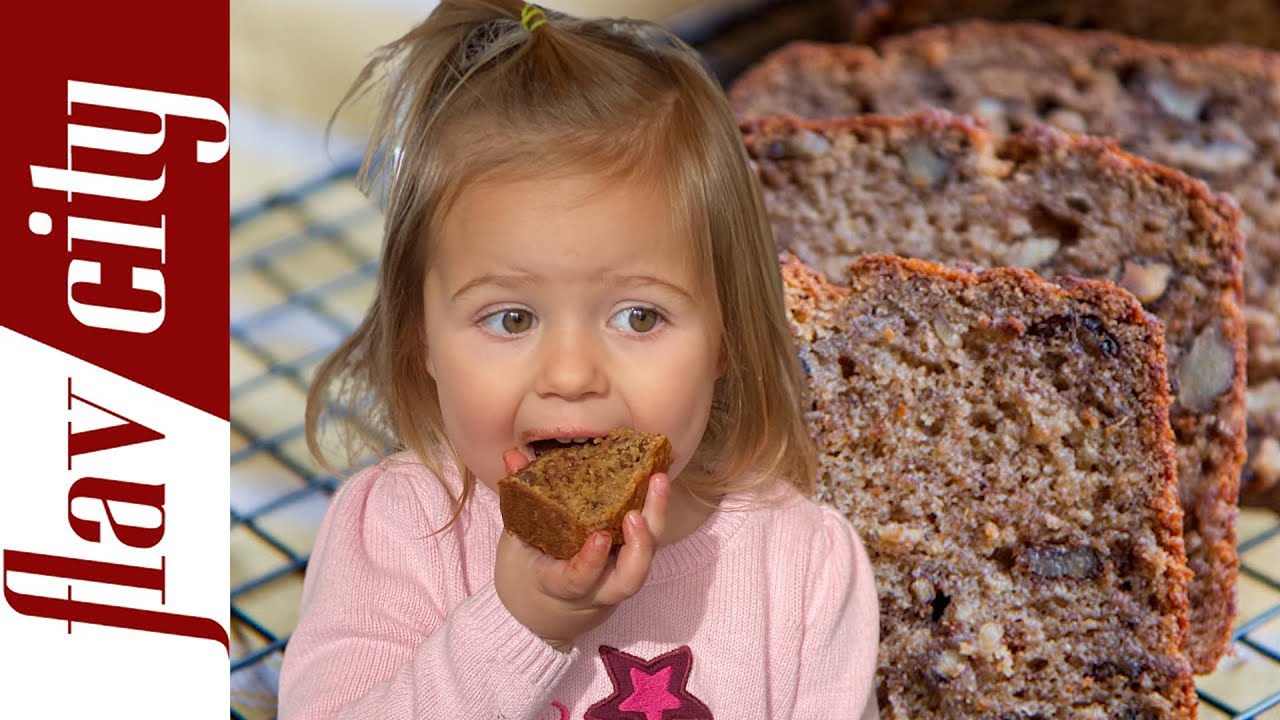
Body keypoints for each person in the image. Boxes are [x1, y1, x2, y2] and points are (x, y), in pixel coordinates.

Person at [277, 1, 879, 717]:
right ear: (422, 341)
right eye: (511, 318)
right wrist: (518, 624)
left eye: (638, 316)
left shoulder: (802, 568)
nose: (571, 375)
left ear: (726, 337)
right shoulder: (398, 531)